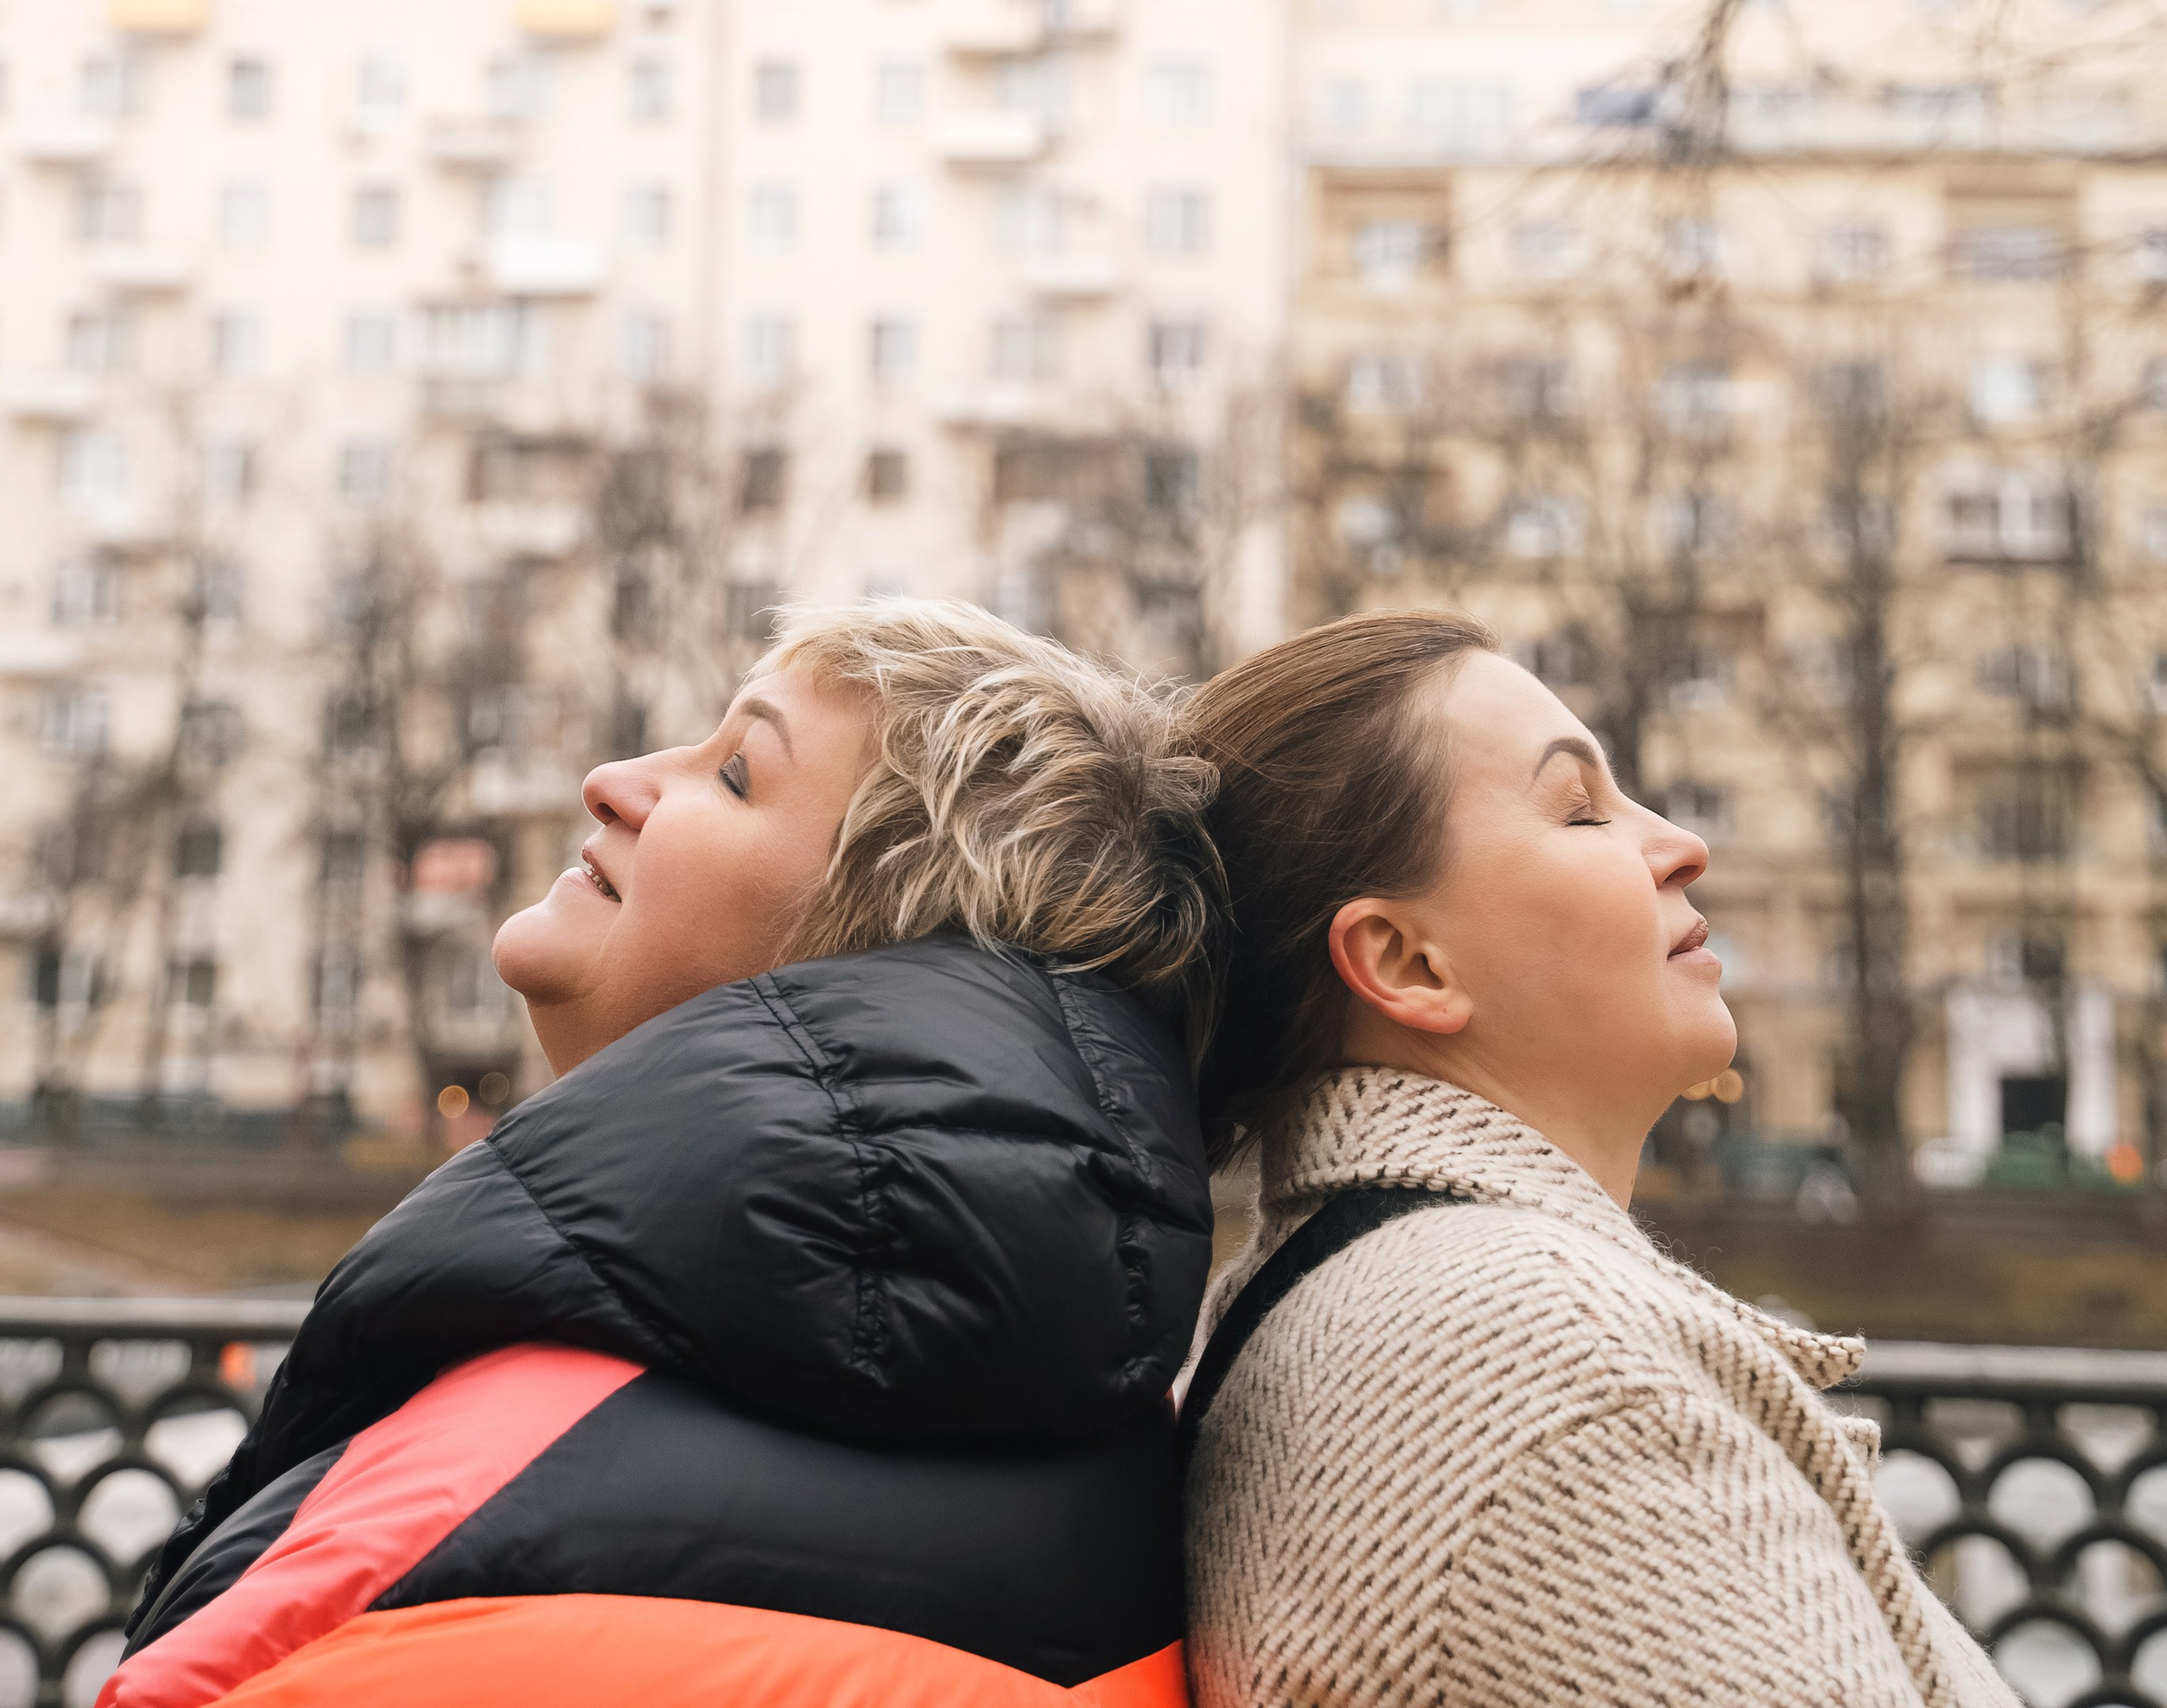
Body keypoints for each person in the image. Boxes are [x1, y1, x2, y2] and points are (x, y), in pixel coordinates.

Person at [108, 601, 1222, 1708]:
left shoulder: (460, 1521)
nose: (615, 778)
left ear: (874, 965)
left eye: (736, 772)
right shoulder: (1123, 1482)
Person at [1175, 609, 2019, 1708]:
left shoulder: (1344, 1297)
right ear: (1406, 961)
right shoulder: (1535, 1359)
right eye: (1580, 811)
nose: (1681, 844)